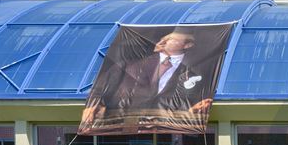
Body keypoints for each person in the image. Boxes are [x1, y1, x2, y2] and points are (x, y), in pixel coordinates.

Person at [81, 31, 212, 127]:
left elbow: (188, 102)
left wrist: (190, 111)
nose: (164, 41)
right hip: (124, 126)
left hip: (166, 130)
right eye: (164, 38)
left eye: (172, 39)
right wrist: (92, 105)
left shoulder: (195, 73)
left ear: (187, 45)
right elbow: (99, 87)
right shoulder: (127, 66)